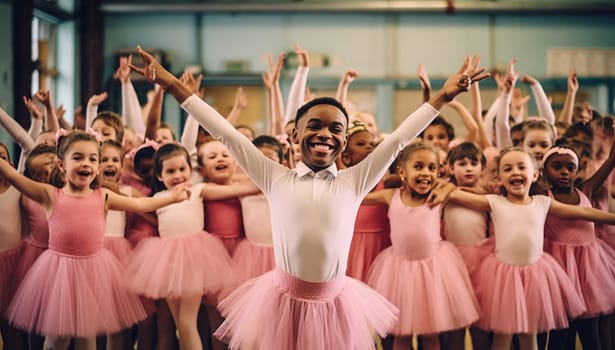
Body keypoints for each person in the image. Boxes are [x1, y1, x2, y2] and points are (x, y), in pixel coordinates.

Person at [130, 45, 489, 349]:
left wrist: (444, 96)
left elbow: (397, 140)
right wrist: (172, 85)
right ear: (294, 133)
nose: (324, 134)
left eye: (336, 129)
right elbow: (226, 133)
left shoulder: (355, 181)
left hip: (336, 303)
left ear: (345, 141)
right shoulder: (274, 177)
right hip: (281, 301)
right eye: (314, 126)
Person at [2, 130, 189, 350]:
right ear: (62, 165)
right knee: (57, 339)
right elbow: (14, 177)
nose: (86, 164)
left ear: (98, 167)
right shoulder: (50, 195)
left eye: (92, 159)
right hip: (60, 272)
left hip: (92, 272)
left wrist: (173, 198)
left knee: (87, 337)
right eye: (78, 158)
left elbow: (140, 205)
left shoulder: (103, 196)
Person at [433, 147, 615, 350]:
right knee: (504, 335)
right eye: (508, 169)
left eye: (521, 167)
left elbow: (583, 212)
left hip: (535, 277)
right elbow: (456, 194)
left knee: (530, 336)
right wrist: (442, 189)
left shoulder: (543, 202)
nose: (515, 172)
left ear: (534, 174)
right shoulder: (494, 202)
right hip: (503, 278)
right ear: (499, 178)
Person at [364, 143, 480, 350]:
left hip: (432, 272)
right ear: (402, 172)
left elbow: (466, 191)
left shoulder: (438, 196)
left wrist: (448, 188)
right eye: (418, 167)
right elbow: (358, 198)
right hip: (398, 273)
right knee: (401, 337)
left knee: (430, 335)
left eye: (432, 168)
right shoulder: (391, 196)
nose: (426, 173)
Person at [123, 142, 237, 350]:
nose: (177, 175)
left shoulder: (197, 190)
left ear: (191, 170)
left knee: (186, 322)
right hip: (167, 261)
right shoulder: (157, 198)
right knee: (180, 324)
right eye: (170, 171)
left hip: (195, 257)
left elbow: (234, 189)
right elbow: (139, 206)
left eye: (182, 169)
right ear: (159, 176)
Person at [539, 145, 615, 350]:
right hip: (559, 271)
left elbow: (610, 160)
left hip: (588, 272)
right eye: (557, 166)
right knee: (560, 335)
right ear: (545, 171)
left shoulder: (586, 190)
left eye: (570, 167)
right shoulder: (543, 195)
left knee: (591, 335)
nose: (564, 172)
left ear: (577, 170)